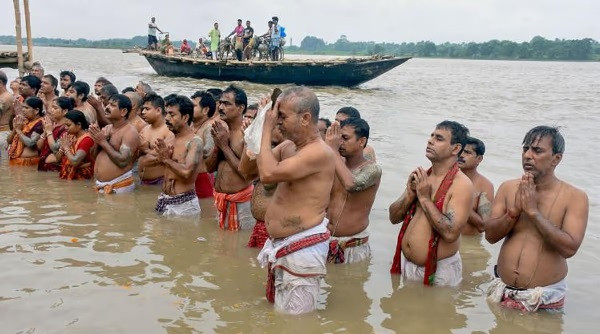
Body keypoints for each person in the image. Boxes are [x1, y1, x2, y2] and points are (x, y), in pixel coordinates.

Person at [485, 126, 588, 312]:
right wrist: (514, 211)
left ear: (556, 158)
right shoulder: (508, 188)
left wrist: (533, 212)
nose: (527, 155)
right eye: (525, 149)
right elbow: (490, 236)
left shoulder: (575, 197)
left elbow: (569, 248)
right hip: (503, 291)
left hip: (545, 298)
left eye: (537, 150)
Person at [256, 86, 336, 314]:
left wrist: (265, 129)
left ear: (305, 118)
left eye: (282, 116)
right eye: (275, 115)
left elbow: (268, 174)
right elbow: (248, 166)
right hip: (284, 246)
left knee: (296, 325)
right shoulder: (290, 147)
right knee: (281, 318)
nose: (277, 121)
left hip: (302, 249)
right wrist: (258, 123)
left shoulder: (319, 152)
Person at [388, 121, 473, 287]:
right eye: (431, 136)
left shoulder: (462, 185)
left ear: (455, 149)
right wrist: (410, 195)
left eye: (439, 138)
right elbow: (393, 217)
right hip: (409, 267)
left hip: (440, 273)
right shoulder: (423, 177)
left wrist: (425, 199)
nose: (430, 140)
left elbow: (450, 234)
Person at [325, 118, 382, 264]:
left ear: (362, 141)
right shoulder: (335, 162)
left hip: (353, 246)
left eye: (345, 138)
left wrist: (332, 150)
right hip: (326, 241)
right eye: (339, 138)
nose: (340, 143)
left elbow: (351, 184)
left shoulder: (372, 169)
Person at [206, 85, 255, 230]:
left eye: (227, 104)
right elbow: (209, 168)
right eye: (220, 103)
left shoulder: (248, 134)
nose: (221, 107)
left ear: (241, 108)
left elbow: (246, 174)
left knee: (239, 247)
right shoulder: (221, 131)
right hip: (221, 201)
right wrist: (217, 145)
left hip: (242, 204)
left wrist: (224, 146)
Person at [153, 94, 202, 216]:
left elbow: (187, 172)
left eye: (172, 114)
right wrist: (161, 159)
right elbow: (164, 165)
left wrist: (166, 160)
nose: (167, 118)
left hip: (184, 204)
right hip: (165, 199)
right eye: (167, 114)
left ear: (185, 118)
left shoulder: (195, 142)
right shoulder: (170, 139)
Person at [89, 94, 140, 194]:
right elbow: (93, 156)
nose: (107, 107)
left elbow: (122, 162)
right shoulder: (107, 128)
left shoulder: (130, 132)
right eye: (107, 104)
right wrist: (97, 142)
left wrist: (103, 142)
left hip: (119, 186)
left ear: (123, 111)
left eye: (112, 105)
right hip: (101, 185)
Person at [458, 136, 494, 235]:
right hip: (443, 242)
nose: (461, 155)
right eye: (460, 151)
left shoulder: (485, 186)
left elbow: (483, 226)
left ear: (479, 159)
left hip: (467, 244)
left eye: (467, 152)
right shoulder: (446, 177)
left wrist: (459, 201)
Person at [138, 93, 174, 185]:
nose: (143, 112)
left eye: (147, 109)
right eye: (143, 109)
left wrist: (145, 149)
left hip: (160, 181)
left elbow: (162, 155)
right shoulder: (145, 129)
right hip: (142, 181)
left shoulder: (168, 130)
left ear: (158, 110)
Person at [190, 90, 216, 199]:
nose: (189, 108)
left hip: (203, 177)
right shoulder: (190, 125)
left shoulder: (209, 127)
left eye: (193, 106)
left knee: (205, 213)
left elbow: (208, 151)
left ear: (205, 110)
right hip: (190, 176)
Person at [7, 96, 44, 166]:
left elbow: (31, 143)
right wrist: (15, 129)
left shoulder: (40, 124)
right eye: (23, 107)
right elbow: (9, 141)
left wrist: (18, 130)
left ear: (36, 110)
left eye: (26, 108)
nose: (23, 110)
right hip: (16, 163)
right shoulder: (23, 121)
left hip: (30, 165)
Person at [58, 110, 95, 180]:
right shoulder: (69, 136)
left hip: (81, 180)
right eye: (65, 125)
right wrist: (62, 148)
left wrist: (66, 148)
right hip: (67, 178)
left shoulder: (87, 140)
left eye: (68, 125)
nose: (65, 128)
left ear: (79, 125)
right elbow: (57, 159)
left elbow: (75, 162)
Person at [37, 96, 72, 171]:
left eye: (55, 108)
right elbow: (39, 147)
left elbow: (55, 148)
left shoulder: (67, 128)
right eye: (52, 107)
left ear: (65, 111)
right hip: (44, 167)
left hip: (54, 170)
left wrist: (49, 132)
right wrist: (45, 132)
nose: (52, 110)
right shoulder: (51, 125)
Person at [0, 70, 14, 152]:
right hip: (4, 133)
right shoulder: (7, 96)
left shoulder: (4, 98)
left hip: (2, 134)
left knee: (3, 164)